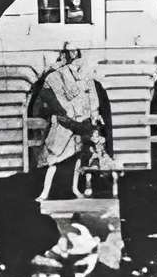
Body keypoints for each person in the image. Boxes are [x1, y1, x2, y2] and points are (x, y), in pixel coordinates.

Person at [30, 45, 110, 202]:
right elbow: (48, 94)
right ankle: (45, 192)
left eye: (75, 51)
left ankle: (75, 188)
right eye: (70, 51)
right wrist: (62, 112)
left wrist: (94, 115)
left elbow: (92, 98)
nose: (73, 54)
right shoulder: (56, 75)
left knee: (78, 158)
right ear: (65, 53)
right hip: (63, 124)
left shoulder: (86, 75)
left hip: (82, 122)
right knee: (52, 159)